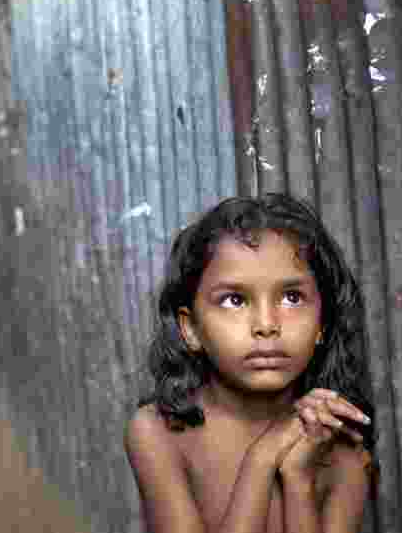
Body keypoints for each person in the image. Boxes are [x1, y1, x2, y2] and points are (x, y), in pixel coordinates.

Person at [126, 193, 375, 533]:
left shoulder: (344, 451)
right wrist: (262, 459)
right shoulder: (158, 433)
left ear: (322, 324)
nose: (266, 324)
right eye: (235, 300)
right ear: (191, 329)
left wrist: (298, 481)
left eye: (292, 297)